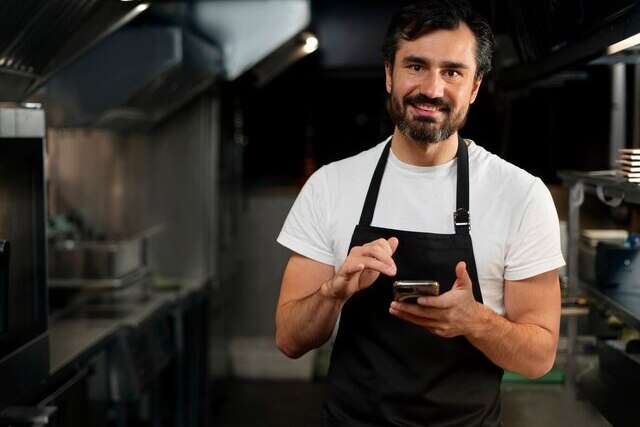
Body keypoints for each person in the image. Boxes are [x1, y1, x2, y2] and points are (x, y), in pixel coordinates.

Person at [275, 0, 565, 425]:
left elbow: (539, 357)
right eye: (416, 66)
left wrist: (475, 321)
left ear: (475, 86)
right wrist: (333, 292)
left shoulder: (521, 195)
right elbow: (288, 339)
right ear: (390, 74)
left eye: (452, 71)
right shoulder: (331, 186)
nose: (432, 88)